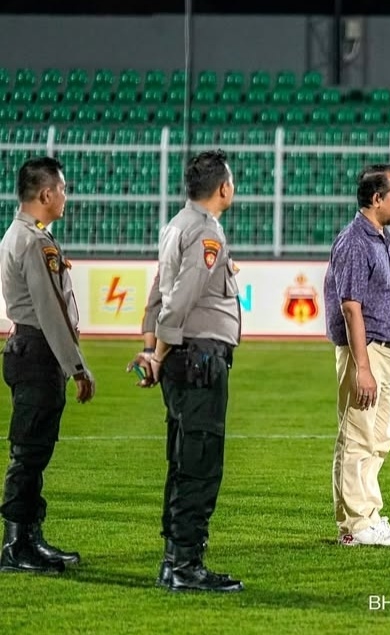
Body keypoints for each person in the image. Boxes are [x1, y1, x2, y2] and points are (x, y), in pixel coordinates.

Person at [130, 149, 244, 590]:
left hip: (184, 358)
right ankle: (185, 565)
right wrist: (157, 354)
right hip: (198, 359)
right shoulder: (204, 232)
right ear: (222, 187)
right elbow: (180, 299)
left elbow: (160, 289)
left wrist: (148, 344)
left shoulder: (177, 225)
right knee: (199, 463)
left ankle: (174, 557)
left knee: (182, 459)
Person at [0, 157, 95, 573]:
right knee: (29, 452)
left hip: (25, 348)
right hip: (37, 351)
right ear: (45, 194)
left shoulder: (19, 235)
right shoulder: (35, 242)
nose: (65, 196)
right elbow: (50, 311)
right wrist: (77, 366)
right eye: (62, 188)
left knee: (32, 451)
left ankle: (28, 538)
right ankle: (15, 545)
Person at [324, 163, 390, 547]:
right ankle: (356, 525)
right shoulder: (356, 241)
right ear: (377, 199)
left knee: (378, 439)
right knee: (358, 437)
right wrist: (362, 366)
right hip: (368, 352)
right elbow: (351, 306)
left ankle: (370, 516)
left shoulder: (379, 238)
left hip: (385, 353)